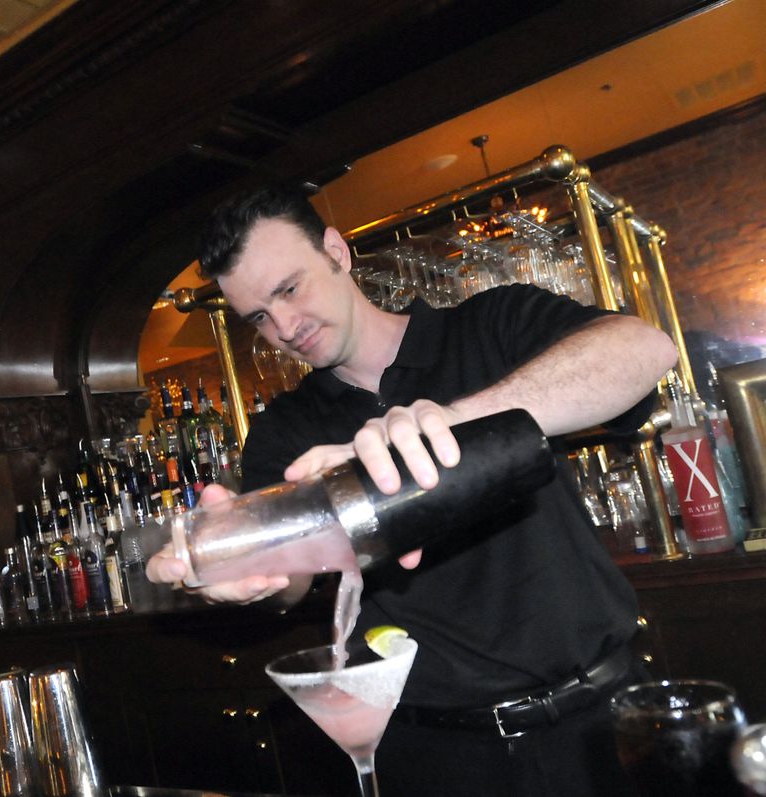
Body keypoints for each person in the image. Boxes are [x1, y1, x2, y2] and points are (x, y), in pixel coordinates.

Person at [146, 185, 678, 796]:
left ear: (336, 253)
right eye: (259, 318)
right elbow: (289, 576)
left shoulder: (491, 326)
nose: (284, 329)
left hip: (604, 723)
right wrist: (241, 571)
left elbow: (644, 349)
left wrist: (451, 421)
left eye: (288, 290)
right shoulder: (283, 430)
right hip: (438, 756)